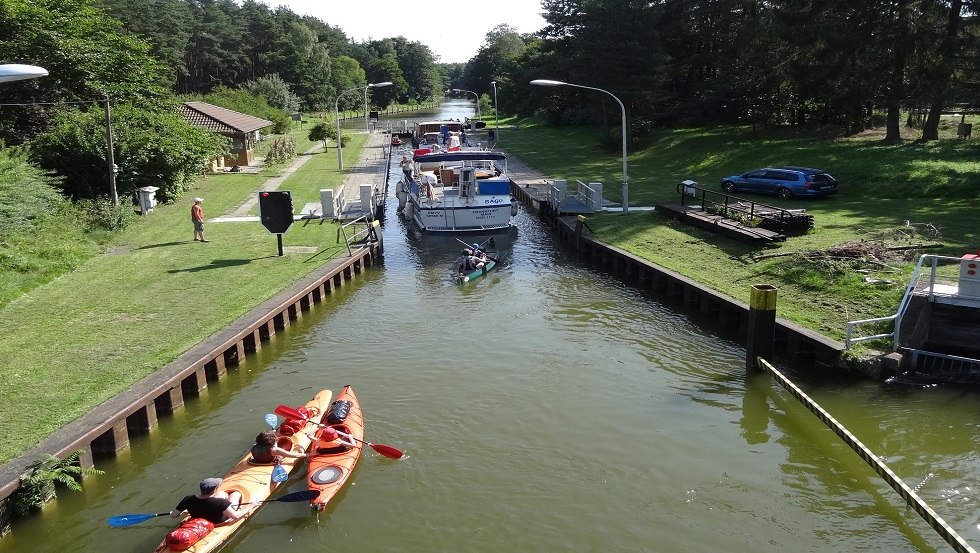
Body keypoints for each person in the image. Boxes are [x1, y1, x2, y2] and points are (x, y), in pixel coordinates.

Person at [170, 478, 243, 525]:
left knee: (221, 493)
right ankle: (230, 506)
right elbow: (235, 516)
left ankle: (226, 505)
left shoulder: (188, 499)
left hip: (199, 521)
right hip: (218, 522)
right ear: (214, 490)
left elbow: (173, 515)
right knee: (236, 494)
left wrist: (178, 513)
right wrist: (249, 507)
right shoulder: (220, 502)